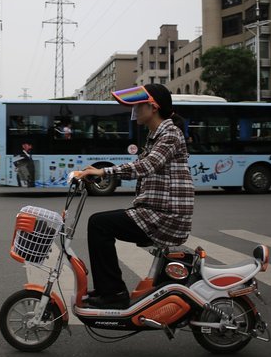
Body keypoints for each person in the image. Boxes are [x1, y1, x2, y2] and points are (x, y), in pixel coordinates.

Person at [75, 84, 194, 309]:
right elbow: (144, 168)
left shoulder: (169, 133)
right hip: (156, 211)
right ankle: (107, 290)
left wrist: (103, 171)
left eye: (138, 106)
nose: (135, 112)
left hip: (166, 216)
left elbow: (147, 165)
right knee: (102, 222)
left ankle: (112, 293)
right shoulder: (155, 135)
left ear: (153, 107)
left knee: (99, 224)